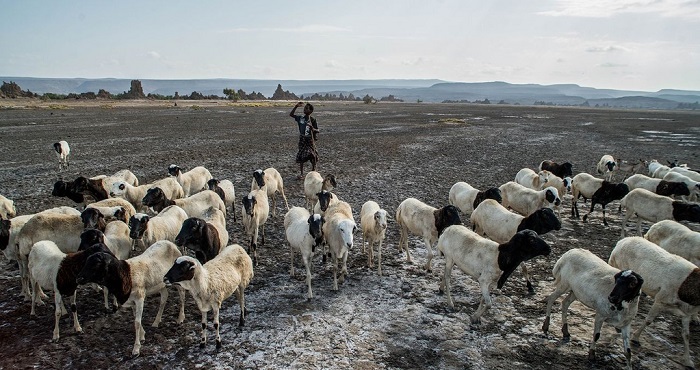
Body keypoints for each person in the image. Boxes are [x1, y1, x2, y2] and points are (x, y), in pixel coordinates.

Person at [289, 101, 319, 179]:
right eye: (305, 108)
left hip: (309, 139)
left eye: (307, 109)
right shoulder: (300, 118)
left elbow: (317, 130)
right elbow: (291, 115)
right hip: (302, 139)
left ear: (310, 111)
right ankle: (302, 174)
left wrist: (313, 129)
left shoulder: (312, 119)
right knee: (301, 156)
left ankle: (313, 170)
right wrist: (296, 106)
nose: (304, 109)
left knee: (312, 155)